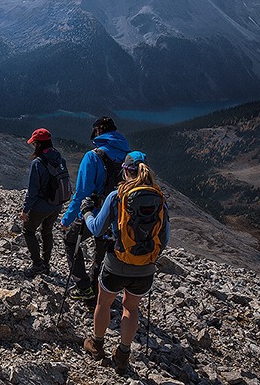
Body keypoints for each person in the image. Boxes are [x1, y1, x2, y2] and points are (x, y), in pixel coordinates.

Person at [81, 151, 169, 374]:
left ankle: (97, 345)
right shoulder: (159, 198)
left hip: (116, 263)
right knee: (131, 308)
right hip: (145, 267)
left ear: (125, 170)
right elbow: (164, 238)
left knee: (104, 304)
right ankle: (123, 355)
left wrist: (87, 212)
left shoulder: (117, 196)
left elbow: (97, 230)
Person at [59, 116, 129, 301]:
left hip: (95, 212)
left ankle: (83, 288)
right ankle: (96, 286)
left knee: (70, 240)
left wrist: (67, 220)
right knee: (102, 246)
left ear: (97, 131)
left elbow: (82, 194)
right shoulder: (129, 156)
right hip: (120, 216)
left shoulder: (93, 156)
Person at [20, 128, 67, 277]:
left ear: (39, 145)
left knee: (28, 231)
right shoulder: (60, 158)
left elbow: (32, 191)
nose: (33, 146)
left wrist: (25, 210)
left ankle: (37, 264)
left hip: (41, 206)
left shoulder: (38, 163)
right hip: (57, 204)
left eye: (34, 143)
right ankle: (46, 263)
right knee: (47, 231)